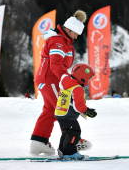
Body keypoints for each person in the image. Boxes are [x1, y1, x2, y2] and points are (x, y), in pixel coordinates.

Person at [30, 10, 91, 155]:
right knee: (64, 109)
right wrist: (65, 78)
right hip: (50, 78)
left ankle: (39, 141)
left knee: (51, 110)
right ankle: (72, 142)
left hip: (47, 78)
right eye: (76, 33)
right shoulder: (58, 41)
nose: (76, 37)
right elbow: (56, 64)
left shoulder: (64, 41)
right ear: (69, 29)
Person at [55, 63, 97, 158]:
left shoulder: (66, 83)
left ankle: (62, 151)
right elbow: (78, 106)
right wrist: (87, 111)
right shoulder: (77, 88)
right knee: (74, 132)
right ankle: (70, 153)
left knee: (66, 133)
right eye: (89, 78)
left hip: (60, 113)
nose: (89, 81)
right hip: (68, 116)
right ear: (82, 77)